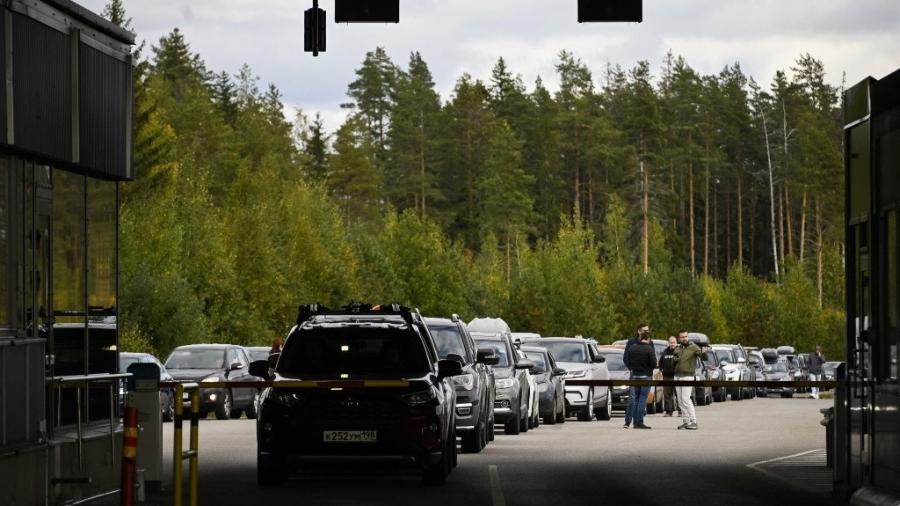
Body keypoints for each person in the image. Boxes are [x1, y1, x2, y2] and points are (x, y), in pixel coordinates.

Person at [623, 332, 656, 429]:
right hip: (645, 376)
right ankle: (639, 422)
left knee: (636, 399)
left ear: (640, 338)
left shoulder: (632, 348)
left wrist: (632, 369)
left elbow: (627, 361)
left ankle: (635, 422)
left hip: (635, 376)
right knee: (642, 399)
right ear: (648, 339)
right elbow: (654, 364)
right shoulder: (649, 349)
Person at [673, 331, 705, 430]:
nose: (684, 338)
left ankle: (693, 421)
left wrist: (704, 352)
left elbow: (703, 357)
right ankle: (686, 421)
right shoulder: (677, 348)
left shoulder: (694, 347)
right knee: (680, 400)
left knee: (686, 399)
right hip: (677, 376)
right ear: (679, 338)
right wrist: (674, 361)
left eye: (686, 336)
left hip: (687, 376)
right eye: (682, 337)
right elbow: (673, 362)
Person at [658, 336, 678, 417]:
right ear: (668, 343)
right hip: (667, 377)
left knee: (679, 395)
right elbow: (660, 362)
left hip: (677, 377)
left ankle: (681, 411)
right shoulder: (665, 352)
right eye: (671, 342)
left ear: (676, 343)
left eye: (674, 342)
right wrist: (661, 369)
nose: (672, 344)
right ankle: (669, 412)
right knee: (667, 396)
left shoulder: (679, 351)